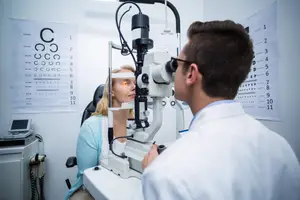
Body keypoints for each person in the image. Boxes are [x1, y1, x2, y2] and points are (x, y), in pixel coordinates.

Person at [141, 20, 300, 200]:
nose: (174, 72)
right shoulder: (281, 148)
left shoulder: (165, 172)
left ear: (191, 74)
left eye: (176, 64)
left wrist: (152, 173)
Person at [65, 65, 136, 200]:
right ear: (112, 91)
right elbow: (88, 175)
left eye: (135, 82)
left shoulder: (140, 124)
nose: (134, 87)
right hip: (95, 189)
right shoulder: (92, 126)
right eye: (126, 82)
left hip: (131, 185)